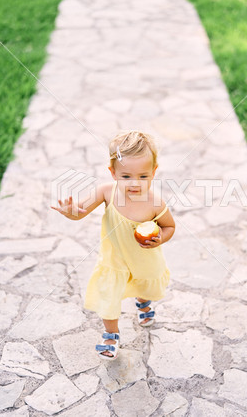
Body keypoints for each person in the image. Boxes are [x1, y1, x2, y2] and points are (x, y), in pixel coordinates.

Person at [51, 130, 175, 360]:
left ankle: (143, 301)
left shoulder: (155, 203)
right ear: (113, 173)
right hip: (114, 259)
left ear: (153, 172)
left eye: (143, 176)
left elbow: (169, 227)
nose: (134, 183)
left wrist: (161, 238)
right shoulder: (106, 191)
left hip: (143, 258)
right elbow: (80, 211)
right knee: (108, 296)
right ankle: (111, 335)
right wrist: (71, 212)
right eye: (126, 176)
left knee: (143, 284)